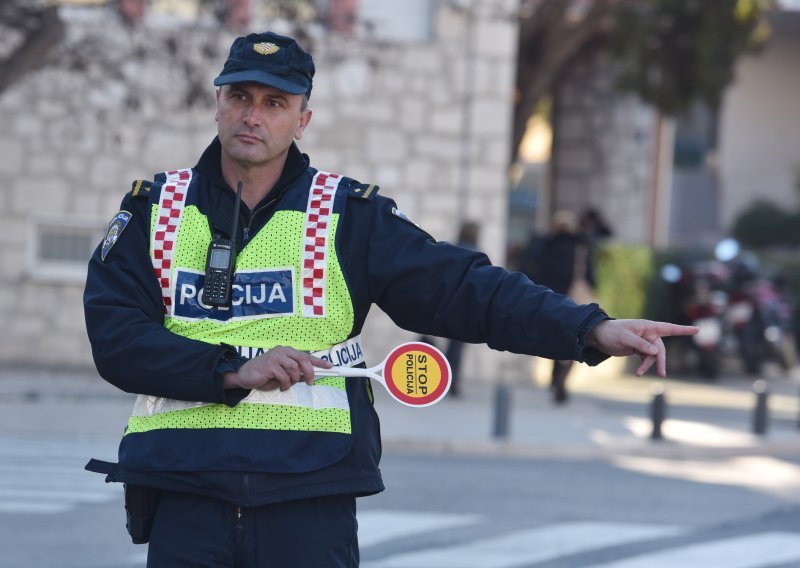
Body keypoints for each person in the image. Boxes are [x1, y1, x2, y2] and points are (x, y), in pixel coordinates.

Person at [83, 31, 697, 567]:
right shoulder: (154, 209)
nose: (253, 115)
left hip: (308, 497)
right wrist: (231, 371)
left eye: (276, 103)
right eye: (240, 96)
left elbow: (465, 288)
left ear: (303, 120)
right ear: (217, 102)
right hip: (185, 493)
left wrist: (588, 329)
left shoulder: (348, 215)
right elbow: (117, 339)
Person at [528, 211, 595, 403]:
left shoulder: (545, 244)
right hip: (573, 299)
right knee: (575, 339)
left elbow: (535, 270)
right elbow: (589, 274)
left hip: (550, 298)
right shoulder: (579, 245)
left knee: (553, 338)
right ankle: (561, 380)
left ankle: (553, 378)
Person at [444, 220, 480, 397]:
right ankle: (452, 382)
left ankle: (444, 379)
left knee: (450, 347)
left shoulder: (452, 248)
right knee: (457, 349)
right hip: (465, 307)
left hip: (448, 304)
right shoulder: (477, 254)